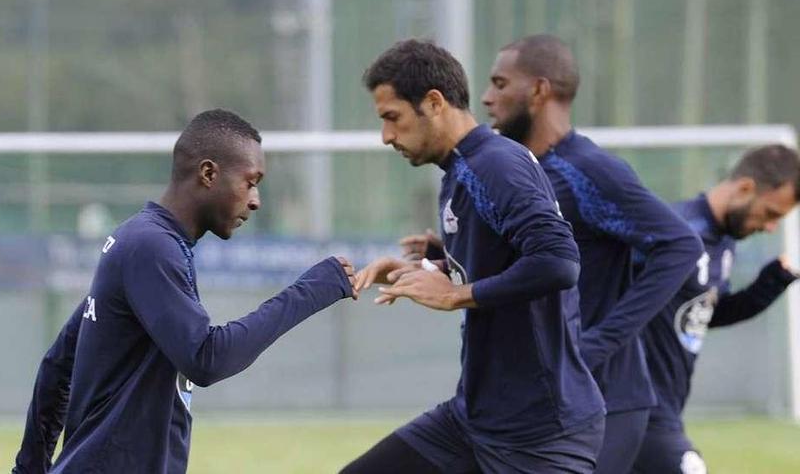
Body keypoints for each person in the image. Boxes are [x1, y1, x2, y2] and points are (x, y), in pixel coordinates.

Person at [11, 109, 358, 474]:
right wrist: (312, 290)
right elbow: (206, 358)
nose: (255, 200)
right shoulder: (152, 247)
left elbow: (59, 362)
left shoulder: (147, 242)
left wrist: (30, 467)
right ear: (209, 174)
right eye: (250, 182)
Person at [341, 39, 605, 474]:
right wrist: (426, 269)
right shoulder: (459, 170)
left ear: (433, 102)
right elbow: (502, 256)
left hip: (539, 431)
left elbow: (558, 261)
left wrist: (455, 295)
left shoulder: (495, 164)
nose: (386, 136)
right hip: (476, 417)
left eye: (393, 118)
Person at [441, 33, 699, 474]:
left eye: (500, 84)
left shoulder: (587, 169)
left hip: (606, 399)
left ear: (539, 91)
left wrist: (600, 342)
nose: (487, 98)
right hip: (539, 401)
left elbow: (679, 246)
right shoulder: (520, 171)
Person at [631, 145, 800, 474]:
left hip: (665, 409)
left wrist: (768, 285)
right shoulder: (675, 230)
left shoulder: (722, 243)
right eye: (770, 214)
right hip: (638, 405)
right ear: (745, 188)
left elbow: (702, 314)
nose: (770, 228)